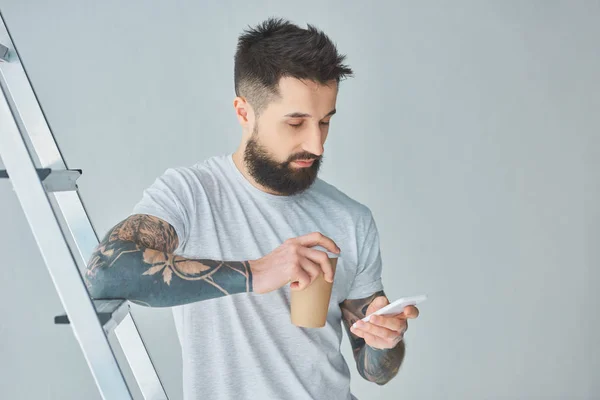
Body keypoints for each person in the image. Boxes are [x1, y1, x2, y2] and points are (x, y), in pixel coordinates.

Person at [85, 17, 420, 400]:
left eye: (325, 122)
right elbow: (106, 273)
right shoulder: (191, 194)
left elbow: (375, 372)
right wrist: (257, 271)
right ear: (244, 112)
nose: (317, 144)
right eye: (296, 123)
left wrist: (384, 340)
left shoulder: (351, 218)